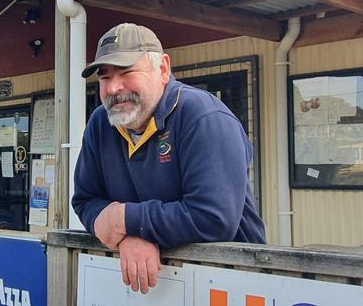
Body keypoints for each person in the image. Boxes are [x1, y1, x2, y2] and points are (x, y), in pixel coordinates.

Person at [72, 23, 266, 294]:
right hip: (152, 291)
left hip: (229, 286)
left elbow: (213, 218)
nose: (114, 87)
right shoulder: (100, 123)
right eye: (104, 77)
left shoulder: (203, 116)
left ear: (163, 69)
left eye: (127, 71)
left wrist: (125, 219)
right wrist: (128, 235)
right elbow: (86, 200)